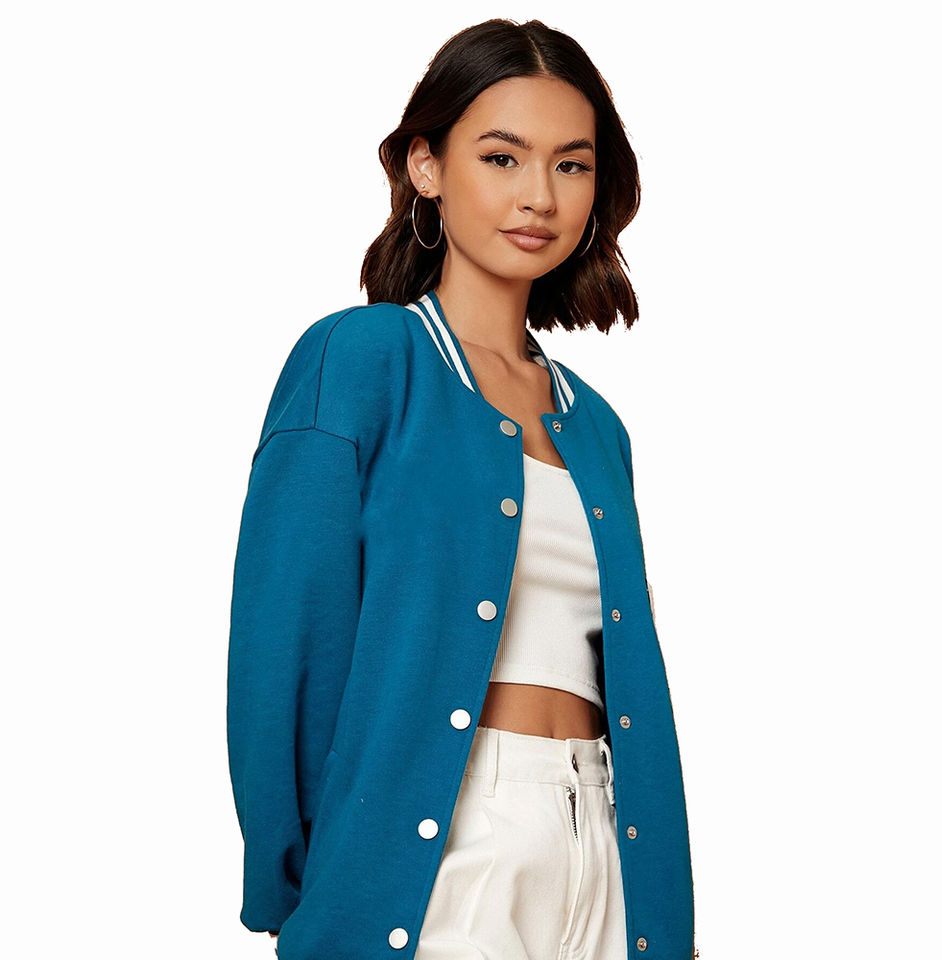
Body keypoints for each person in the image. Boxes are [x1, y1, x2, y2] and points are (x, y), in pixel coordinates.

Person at [227, 17, 697, 960]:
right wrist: (304, 883)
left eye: (571, 165)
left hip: (607, 843)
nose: (539, 196)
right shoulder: (362, 360)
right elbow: (286, 643)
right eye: (501, 157)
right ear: (426, 166)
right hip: (443, 846)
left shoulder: (597, 425)